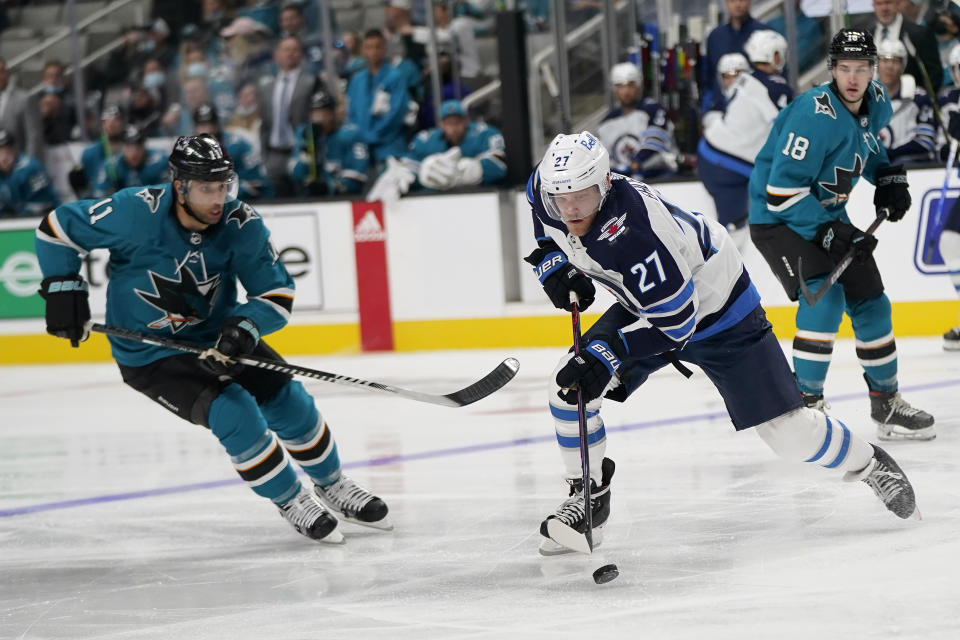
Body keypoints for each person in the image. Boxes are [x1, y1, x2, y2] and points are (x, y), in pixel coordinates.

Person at [524, 130, 919, 556]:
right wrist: (552, 265)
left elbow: (676, 325)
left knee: (789, 435)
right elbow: (546, 227)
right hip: (647, 302)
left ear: (604, 183)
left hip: (720, 310)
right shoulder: (550, 189)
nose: (568, 209)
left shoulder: (637, 231)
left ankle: (868, 463)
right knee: (570, 389)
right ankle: (589, 500)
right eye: (559, 199)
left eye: (579, 197)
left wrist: (608, 352)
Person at [33, 133, 391, 542]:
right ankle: (291, 499)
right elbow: (56, 228)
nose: (218, 197)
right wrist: (63, 287)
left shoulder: (241, 224)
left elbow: (275, 294)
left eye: (223, 185)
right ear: (180, 185)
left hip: (219, 338)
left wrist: (245, 326)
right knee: (235, 412)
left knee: (290, 400)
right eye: (207, 187)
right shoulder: (134, 211)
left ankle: (333, 484)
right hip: (150, 355)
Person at [748, 28, 935, 441]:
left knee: (872, 301)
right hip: (778, 219)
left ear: (873, 71)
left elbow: (866, 144)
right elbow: (781, 194)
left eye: (861, 68)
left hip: (825, 215)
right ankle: (804, 406)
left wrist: (886, 177)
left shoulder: (877, 101)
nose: (853, 77)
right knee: (825, 298)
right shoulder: (811, 116)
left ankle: (886, 403)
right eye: (844, 68)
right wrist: (831, 232)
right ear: (831, 70)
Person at [698, 33, 793, 250]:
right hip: (728, 166)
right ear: (773, 55)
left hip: (712, 156)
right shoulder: (776, 86)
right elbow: (788, 127)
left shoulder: (746, 79)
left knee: (737, 231)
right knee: (734, 238)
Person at [366, 99, 505, 201]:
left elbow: (500, 163)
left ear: (465, 121)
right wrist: (413, 174)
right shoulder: (426, 140)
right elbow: (411, 164)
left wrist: (471, 171)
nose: (453, 128)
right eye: (449, 123)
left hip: (479, 202)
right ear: (441, 125)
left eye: (457, 122)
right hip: (437, 206)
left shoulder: (485, 134)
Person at [596, 62, 679, 182]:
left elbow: (655, 141)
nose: (626, 92)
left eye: (630, 85)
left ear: (639, 85)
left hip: (659, 177)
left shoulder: (653, 109)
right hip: (625, 184)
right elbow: (603, 159)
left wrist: (638, 161)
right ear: (614, 89)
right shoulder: (605, 124)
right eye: (620, 86)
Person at [289, 90, 369, 196]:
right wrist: (307, 149)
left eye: (322, 113)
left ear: (332, 113)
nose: (317, 118)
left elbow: (358, 175)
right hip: (311, 200)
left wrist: (331, 186)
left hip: (344, 199)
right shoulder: (305, 134)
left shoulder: (351, 134)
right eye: (314, 113)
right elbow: (297, 175)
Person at [193, 102, 274, 201]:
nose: (208, 130)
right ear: (195, 128)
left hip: (245, 206)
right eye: (202, 125)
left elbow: (258, 184)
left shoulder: (238, 146)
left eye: (211, 124)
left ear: (217, 125)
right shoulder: (189, 152)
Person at [875, 39, 938, 164]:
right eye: (885, 60)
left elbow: (925, 141)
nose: (889, 66)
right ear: (876, 63)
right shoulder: (862, 97)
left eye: (895, 61)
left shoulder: (919, 97)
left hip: (910, 167)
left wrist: (890, 155)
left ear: (903, 65)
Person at [700, 0, 769, 112]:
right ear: (726, 2)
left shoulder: (764, 35)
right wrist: (707, 108)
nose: (737, 4)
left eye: (742, 0)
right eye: (732, 0)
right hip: (722, 109)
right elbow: (709, 78)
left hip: (756, 110)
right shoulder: (715, 37)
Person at [874, 0, 942, 93]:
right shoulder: (867, 34)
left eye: (888, 2)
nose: (884, 8)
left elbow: (934, 74)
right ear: (873, 6)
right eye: (879, 4)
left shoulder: (919, 34)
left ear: (897, 4)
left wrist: (919, 101)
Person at [68, 105, 127, 199]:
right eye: (107, 120)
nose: (111, 124)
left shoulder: (132, 150)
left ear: (123, 122)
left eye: (116, 120)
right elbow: (85, 185)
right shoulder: (89, 153)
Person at [92, 125, 169, 197]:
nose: (133, 153)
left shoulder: (160, 161)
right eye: (129, 147)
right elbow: (98, 194)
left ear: (144, 146)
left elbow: (168, 193)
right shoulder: (111, 165)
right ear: (123, 147)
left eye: (137, 146)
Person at [0, 128, 59, 217]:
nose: (4, 157)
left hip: (44, 220)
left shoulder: (31, 168)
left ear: (14, 149)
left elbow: (43, 206)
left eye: (7, 150)